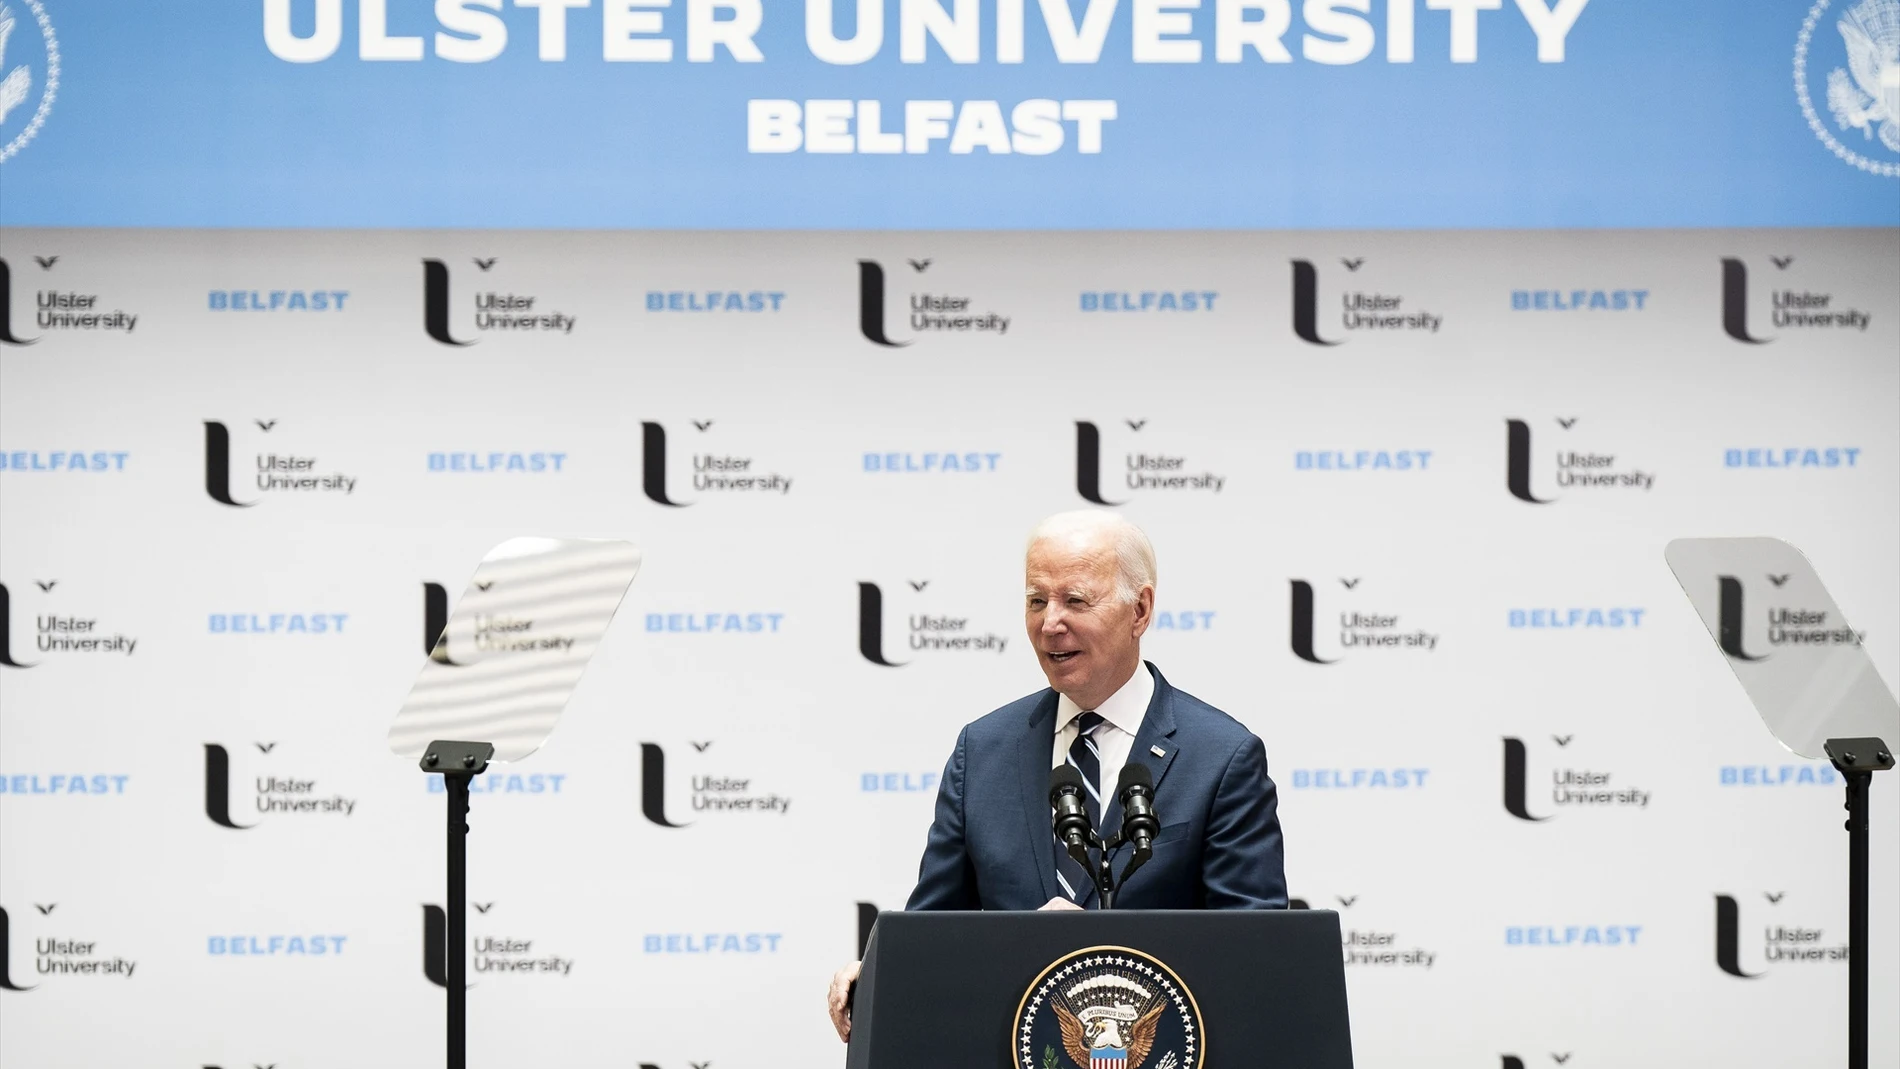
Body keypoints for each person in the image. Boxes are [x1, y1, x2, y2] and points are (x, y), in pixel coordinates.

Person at [826, 510, 1287, 1042]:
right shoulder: (983, 750)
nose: (1050, 623)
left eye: (1075, 600)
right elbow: (934, 931)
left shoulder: (1222, 756)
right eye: (1036, 600)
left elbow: (1255, 956)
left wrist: (1101, 949)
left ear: (1139, 610)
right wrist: (881, 976)